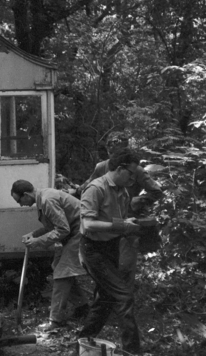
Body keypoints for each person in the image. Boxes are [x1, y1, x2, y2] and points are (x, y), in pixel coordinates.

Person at [74, 148, 143, 354]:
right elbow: (88, 225)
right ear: (120, 169)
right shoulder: (95, 189)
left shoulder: (122, 191)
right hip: (93, 250)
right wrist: (122, 225)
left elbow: (118, 222)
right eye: (131, 173)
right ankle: (133, 352)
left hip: (111, 247)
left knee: (104, 300)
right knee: (123, 297)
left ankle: (81, 344)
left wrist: (130, 226)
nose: (133, 178)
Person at [77, 131, 163, 290]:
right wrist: (74, 191)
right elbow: (87, 187)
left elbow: (156, 191)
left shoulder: (135, 169)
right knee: (106, 273)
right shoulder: (102, 167)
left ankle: (124, 306)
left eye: (120, 148)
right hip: (105, 225)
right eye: (112, 149)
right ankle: (111, 305)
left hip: (127, 224)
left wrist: (138, 201)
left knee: (124, 269)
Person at [11, 180, 89, 331]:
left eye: (19, 200)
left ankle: (56, 320)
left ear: (26, 194)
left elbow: (62, 230)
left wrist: (37, 242)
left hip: (81, 232)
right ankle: (83, 307)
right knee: (58, 267)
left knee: (62, 273)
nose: (21, 205)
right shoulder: (42, 198)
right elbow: (51, 226)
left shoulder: (47, 200)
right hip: (73, 232)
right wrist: (33, 234)